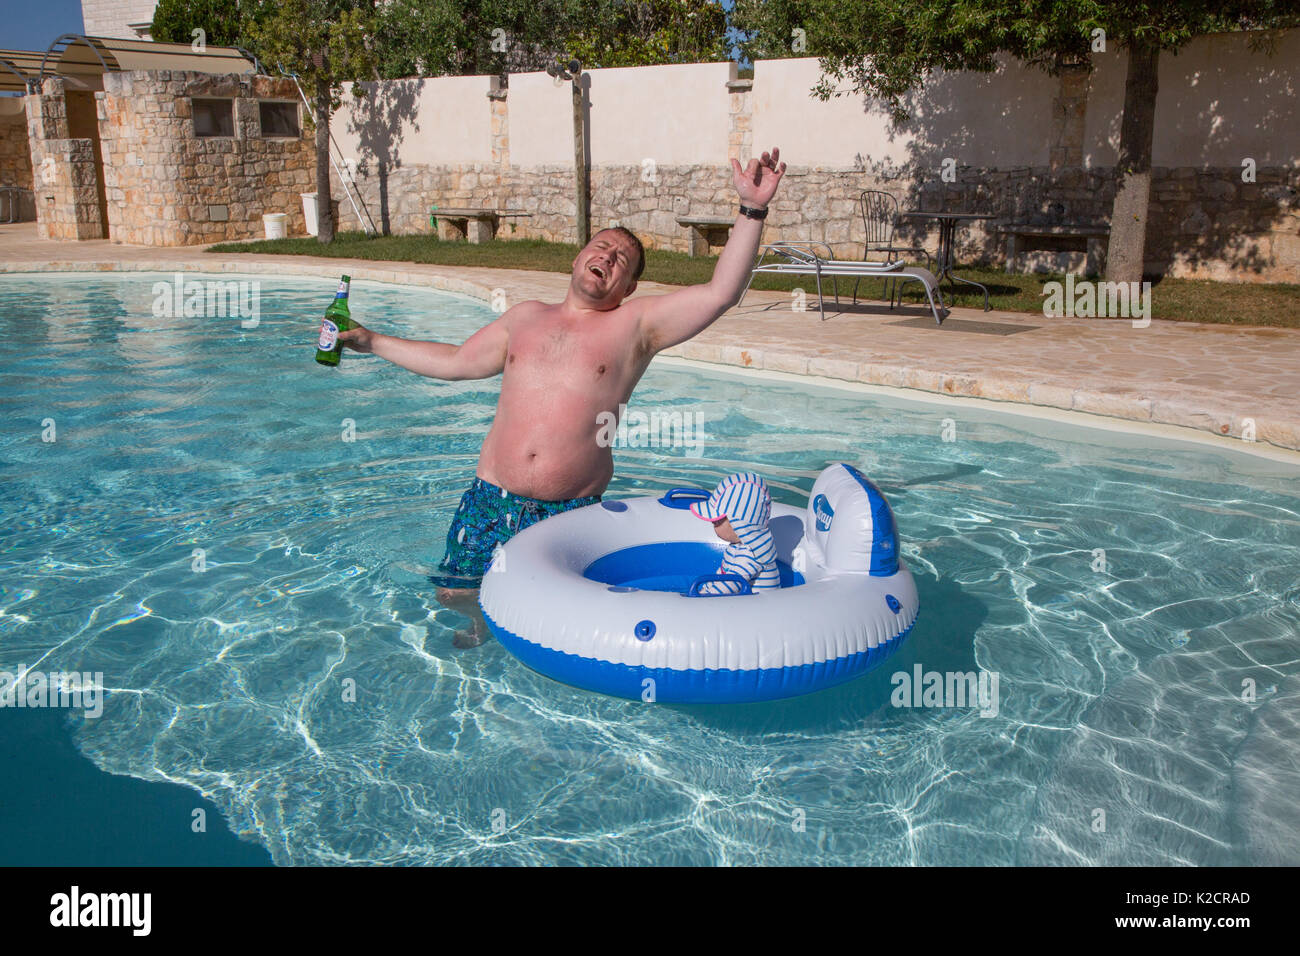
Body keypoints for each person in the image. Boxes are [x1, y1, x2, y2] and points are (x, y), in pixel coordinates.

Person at [337, 147, 787, 645]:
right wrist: (372, 341)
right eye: (602, 246)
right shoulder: (525, 316)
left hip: (567, 513)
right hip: (489, 500)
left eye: (622, 260)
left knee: (557, 624)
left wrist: (752, 209)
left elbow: (721, 292)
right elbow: (455, 362)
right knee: (455, 596)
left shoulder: (636, 328)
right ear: (577, 256)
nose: (608, 257)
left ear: (629, 286)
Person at [690, 471, 781, 595]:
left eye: (718, 521)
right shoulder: (737, 545)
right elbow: (722, 574)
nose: (713, 522)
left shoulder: (753, 554)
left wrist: (703, 598)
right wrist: (705, 589)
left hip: (759, 610)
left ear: (739, 525)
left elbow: (730, 584)